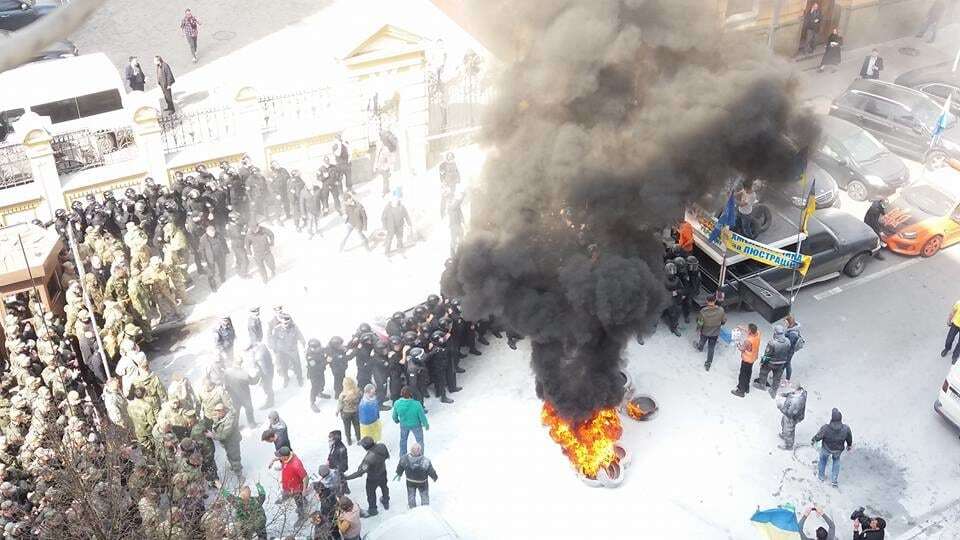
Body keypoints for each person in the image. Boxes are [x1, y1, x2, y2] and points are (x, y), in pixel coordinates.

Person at [343, 437, 390, 517]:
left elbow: (360, 473)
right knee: (384, 487)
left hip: (373, 478)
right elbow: (387, 456)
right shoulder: (382, 446)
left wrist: (347, 477)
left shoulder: (369, 458)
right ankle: (386, 501)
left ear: (365, 447)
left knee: (371, 493)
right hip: (383, 472)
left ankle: (373, 510)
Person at [811, 408, 853, 487]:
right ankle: (834, 480)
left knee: (823, 460)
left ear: (832, 418)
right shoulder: (846, 429)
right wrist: (849, 445)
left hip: (826, 448)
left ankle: (821, 476)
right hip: (838, 450)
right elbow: (849, 438)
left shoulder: (826, 428)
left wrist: (813, 440)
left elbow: (819, 436)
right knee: (836, 462)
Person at [394, 442, 438, 508]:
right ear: (420, 451)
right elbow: (430, 471)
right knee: (424, 495)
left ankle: (412, 507)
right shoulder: (425, 461)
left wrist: (399, 473)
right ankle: (425, 508)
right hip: (422, 482)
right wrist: (434, 477)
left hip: (410, 481)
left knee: (411, 495)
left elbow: (401, 466)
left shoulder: (404, 458)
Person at [754, 325, 792, 397]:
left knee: (763, 373)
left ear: (775, 332)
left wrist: (762, 362)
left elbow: (767, 354)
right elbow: (788, 351)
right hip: (782, 363)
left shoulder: (772, 343)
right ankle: (773, 391)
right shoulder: (788, 341)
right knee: (777, 377)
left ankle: (762, 385)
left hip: (771, 363)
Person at [392, 386, 429, 457]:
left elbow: (394, 416)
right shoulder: (417, 404)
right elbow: (422, 417)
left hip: (404, 425)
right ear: (411, 394)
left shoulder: (397, 403)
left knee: (403, 440)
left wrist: (397, 420)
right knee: (420, 441)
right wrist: (426, 424)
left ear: (401, 394)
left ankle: (402, 456)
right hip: (416, 425)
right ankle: (420, 456)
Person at [277, 446, 309, 525]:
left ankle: (302, 516)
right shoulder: (286, 458)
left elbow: (305, 477)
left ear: (285, 456)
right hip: (288, 486)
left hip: (296, 489)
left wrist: (304, 490)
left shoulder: (296, 464)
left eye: (280, 456)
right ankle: (303, 500)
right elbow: (280, 459)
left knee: (299, 502)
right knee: (297, 497)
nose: (279, 457)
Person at [696, 294, 726, 371]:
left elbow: (700, 322)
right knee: (711, 348)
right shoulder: (721, 310)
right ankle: (708, 363)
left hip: (705, 331)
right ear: (715, 301)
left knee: (702, 340)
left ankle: (700, 348)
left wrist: (698, 329)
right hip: (715, 333)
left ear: (707, 301)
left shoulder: (703, 311)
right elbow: (723, 321)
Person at [731, 324, 760, 397]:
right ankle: (747, 387)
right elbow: (750, 331)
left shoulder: (748, 341)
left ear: (750, 331)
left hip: (746, 359)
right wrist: (741, 328)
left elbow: (741, 349)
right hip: (753, 358)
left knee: (743, 375)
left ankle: (741, 390)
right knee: (748, 372)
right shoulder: (758, 334)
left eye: (748, 329)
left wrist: (737, 342)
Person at [776, 383, 807, 450]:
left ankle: (789, 446)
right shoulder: (803, 392)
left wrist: (780, 406)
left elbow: (789, 414)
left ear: (797, 390)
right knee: (783, 423)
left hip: (791, 418)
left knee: (789, 431)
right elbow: (792, 393)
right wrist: (785, 395)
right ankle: (784, 435)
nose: (791, 389)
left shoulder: (796, 401)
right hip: (794, 414)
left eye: (793, 388)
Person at [199, 225, 228, 291]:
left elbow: (224, 242)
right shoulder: (203, 239)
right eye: (211, 233)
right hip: (210, 257)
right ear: (207, 232)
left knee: (222, 267)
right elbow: (201, 250)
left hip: (220, 254)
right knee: (211, 272)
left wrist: (226, 250)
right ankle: (213, 286)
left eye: (213, 232)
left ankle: (222, 277)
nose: (213, 234)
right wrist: (203, 260)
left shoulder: (218, 234)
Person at [337, 377, 362, 445]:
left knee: (347, 427)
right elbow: (360, 400)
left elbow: (340, 405)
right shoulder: (358, 392)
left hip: (346, 413)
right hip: (355, 412)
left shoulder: (342, 395)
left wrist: (337, 411)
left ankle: (349, 440)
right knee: (357, 425)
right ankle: (358, 438)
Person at [783, 314, 804, 382]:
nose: (784, 323)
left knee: (787, 363)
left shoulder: (792, 333)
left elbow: (789, 345)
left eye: (785, 321)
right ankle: (780, 374)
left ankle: (787, 379)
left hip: (789, 351)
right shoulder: (793, 327)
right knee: (785, 363)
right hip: (789, 350)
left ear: (789, 322)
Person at [941, 298, 960, 364]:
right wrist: (949, 320)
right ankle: (947, 348)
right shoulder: (958, 303)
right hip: (955, 324)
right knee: (949, 339)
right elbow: (952, 312)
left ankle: (955, 356)